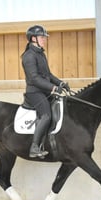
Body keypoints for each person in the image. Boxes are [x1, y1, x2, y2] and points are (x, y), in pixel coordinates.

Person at [21, 25, 70, 158]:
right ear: (33, 38)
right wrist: (54, 88)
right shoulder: (29, 56)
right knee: (46, 115)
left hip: (44, 91)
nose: (44, 40)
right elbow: (34, 78)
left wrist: (61, 83)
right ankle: (34, 147)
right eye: (42, 37)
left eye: (44, 37)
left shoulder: (40, 53)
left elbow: (48, 74)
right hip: (34, 92)